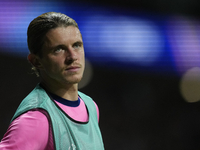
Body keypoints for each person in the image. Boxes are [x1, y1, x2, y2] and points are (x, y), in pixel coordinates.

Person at [0, 12, 104, 150]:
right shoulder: (36, 118)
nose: (72, 56)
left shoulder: (90, 106)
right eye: (59, 49)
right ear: (37, 61)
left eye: (77, 45)